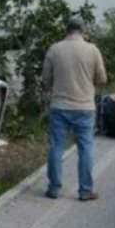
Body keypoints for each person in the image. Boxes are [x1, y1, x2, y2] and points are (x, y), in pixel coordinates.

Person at [41, 18, 108, 201]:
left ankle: (54, 188)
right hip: (84, 107)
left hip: (59, 106)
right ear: (83, 30)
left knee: (56, 146)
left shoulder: (54, 49)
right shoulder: (92, 50)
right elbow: (102, 79)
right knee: (85, 148)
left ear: (66, 30)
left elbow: (45, 79)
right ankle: (85, 191)